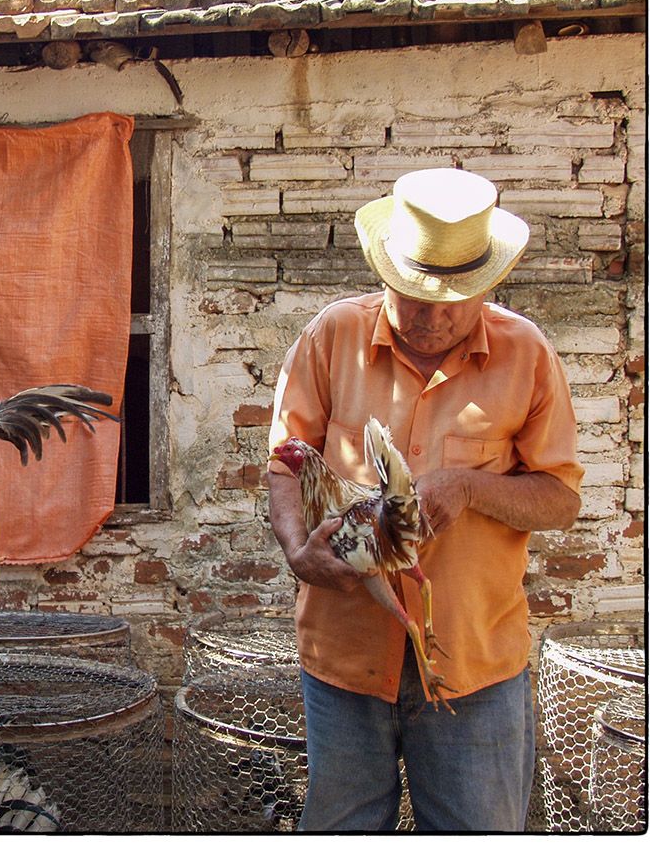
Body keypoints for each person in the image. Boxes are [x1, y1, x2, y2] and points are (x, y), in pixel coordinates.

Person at [267, 167, 583, 831]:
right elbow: (284, 461)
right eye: (414, 296)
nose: (431, 318)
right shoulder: (331, 337)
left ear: (487, 284)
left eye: (453, 301)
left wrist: (470, 488)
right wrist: (297, 549)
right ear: (388, 272)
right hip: (347, 658)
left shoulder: (528, 356)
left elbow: (560, 499)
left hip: (474, 666)